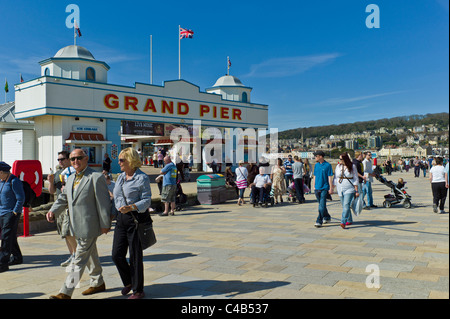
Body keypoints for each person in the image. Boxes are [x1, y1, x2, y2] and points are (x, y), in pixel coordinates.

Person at [46, 149, 111, 299]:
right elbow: (63, 198)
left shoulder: (95, 177)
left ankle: (66, 292)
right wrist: (53, 210)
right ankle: (98, 282)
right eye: (73, 159)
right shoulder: (70, 178)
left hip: (90, 225)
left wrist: (105, 223)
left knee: (79, 260)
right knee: (90, 255)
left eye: (79, 158)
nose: (76, 161)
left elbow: (103, 203)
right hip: (75, 226)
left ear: (86, 158)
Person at [112, 147, 152, 299]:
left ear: (131, 161)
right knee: (116, 254)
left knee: (135, 256)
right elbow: (116, 196)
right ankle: (128, 281)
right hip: (121, 219)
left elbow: (147, 199)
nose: (119, 162)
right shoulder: (120, 177)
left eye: (122, 160)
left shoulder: (142, 178)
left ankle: (138, 290)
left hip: (136, 218)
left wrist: (132, 207)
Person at [48, 151, 77, 267]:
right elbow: (52, 191)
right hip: (59, 206)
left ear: (68, 159)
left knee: (69, 232)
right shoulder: (58, 173)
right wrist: (50, 182)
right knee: (64, 233)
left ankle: (76, 256)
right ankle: (73, 255)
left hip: (70, 206)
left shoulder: (74, 172)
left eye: (62, 159)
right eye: (58, 160)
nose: (60, 162)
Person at [0, 162, 25, 273]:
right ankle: (17, 257)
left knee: (5, 238)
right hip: (1, 213)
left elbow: (20, 198)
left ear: (2, 172)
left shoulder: (14, 181)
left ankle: (3, 264)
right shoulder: (1, 181)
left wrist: (15, 212)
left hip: (10, 214)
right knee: (10, 237)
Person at [332, 153, 359, 229]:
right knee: (344, 205)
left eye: (340, 159)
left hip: (349, 188)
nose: (339, 160)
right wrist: (333, 187)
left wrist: (356, 190)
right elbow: (335, 178)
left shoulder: (352, 166)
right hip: (340, 188)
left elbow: (356, 178)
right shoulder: (338, 166)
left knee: (346, 205)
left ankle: (343, 221)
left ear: (345, 159)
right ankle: (349, 219)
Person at [312, 151, 333, 228]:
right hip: (317, 188)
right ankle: (327, 217)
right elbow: (315, 176)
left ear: (320, 156)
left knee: (321, 206)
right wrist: (314, 186)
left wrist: (331, 188)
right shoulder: (316, 165)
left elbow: (329, 177)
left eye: (316, 156)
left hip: (324, 188)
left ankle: (319, 220)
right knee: (322, 205)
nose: (315, 157)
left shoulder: (328, 165)